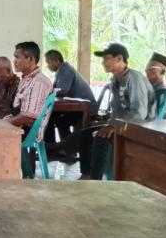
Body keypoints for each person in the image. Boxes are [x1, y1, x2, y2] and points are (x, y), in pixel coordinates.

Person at [79, 43, 155, 180]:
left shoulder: (134, 78)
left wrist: (115, 126)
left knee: (101, 138)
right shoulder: (115, 80)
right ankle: (87, 175)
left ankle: (95, 180)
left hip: (142, 126)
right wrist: (111, 124)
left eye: (106, 58)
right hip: (124, 124)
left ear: (119, 59)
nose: (103, 62)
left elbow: (139, 113)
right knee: (86, 133)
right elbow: (116, 110)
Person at [43, 50, 96, 147]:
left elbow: (62, 92)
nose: (47, 66)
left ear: (56, 61)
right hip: (77, 108)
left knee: (51, 117)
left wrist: (45, 94)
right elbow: (54, 90)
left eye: (48, 62)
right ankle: (60, 147)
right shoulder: (61, 71)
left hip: (86, 110)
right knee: (50, 116)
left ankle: (60, 148)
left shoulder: (65, 70)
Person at [4, 42, 53, 138]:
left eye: (17, 57)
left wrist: (4, 123)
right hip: (21, 129)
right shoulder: (26, 79)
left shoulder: (39, 82)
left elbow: (28, 117)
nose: (14, 61)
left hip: (28, 134)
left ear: (30, 59)